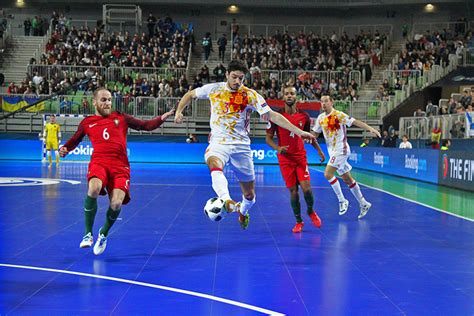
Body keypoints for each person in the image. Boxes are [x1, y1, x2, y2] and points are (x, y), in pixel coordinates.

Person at [174, 60, 315, 229]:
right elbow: (190, 95)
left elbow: (272, 115)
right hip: (219, 141)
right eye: (234, 77)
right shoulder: (214, 89)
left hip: (241, 146)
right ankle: (226, 200)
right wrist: (179, 111)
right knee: (213, 163)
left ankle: (242, 211)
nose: (237, 82)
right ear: (227, 74)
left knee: (249, 195)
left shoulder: (250, 95)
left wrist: (300, 132)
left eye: (241, 78)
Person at [59, 88, 174, 255]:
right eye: (104, 100)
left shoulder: (121, 117)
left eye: (109, 100)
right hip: (99, 162)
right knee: (94, 188)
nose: (107, 103)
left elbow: (145, 126)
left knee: (116, 203)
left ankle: (103, 233)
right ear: (95, 102)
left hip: (121, 166)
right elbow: (75, 139)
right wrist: (66, 149)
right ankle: (87, 234)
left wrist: (162, 117)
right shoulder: (87, 122)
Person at [266, 86, 325, 233]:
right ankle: (299, 221)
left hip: (300, 157)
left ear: (296, 97)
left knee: (307, 189)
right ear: (283, 97)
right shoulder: (275, 116)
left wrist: (319, 151)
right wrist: (278, 148)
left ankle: (311, 211)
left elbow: (308, 136)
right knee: (293, 191)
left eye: (292, 93)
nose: (289, 96)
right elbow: (268, 139)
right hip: (285, 159)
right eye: (286, 94)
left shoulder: (304, 117)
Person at [311, 95, 381, 219]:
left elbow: (355, 122)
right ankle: (363, 203)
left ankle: (342, 200)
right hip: (332, 152)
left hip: (341, 150)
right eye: (321, 102)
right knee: (347, 179)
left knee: (327, 174)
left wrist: (371, 129)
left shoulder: (338, 115)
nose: (323, 103)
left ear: (331, 102)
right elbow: (314, 135)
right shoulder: (321, 118)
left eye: (326, 101)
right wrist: (305, 136)